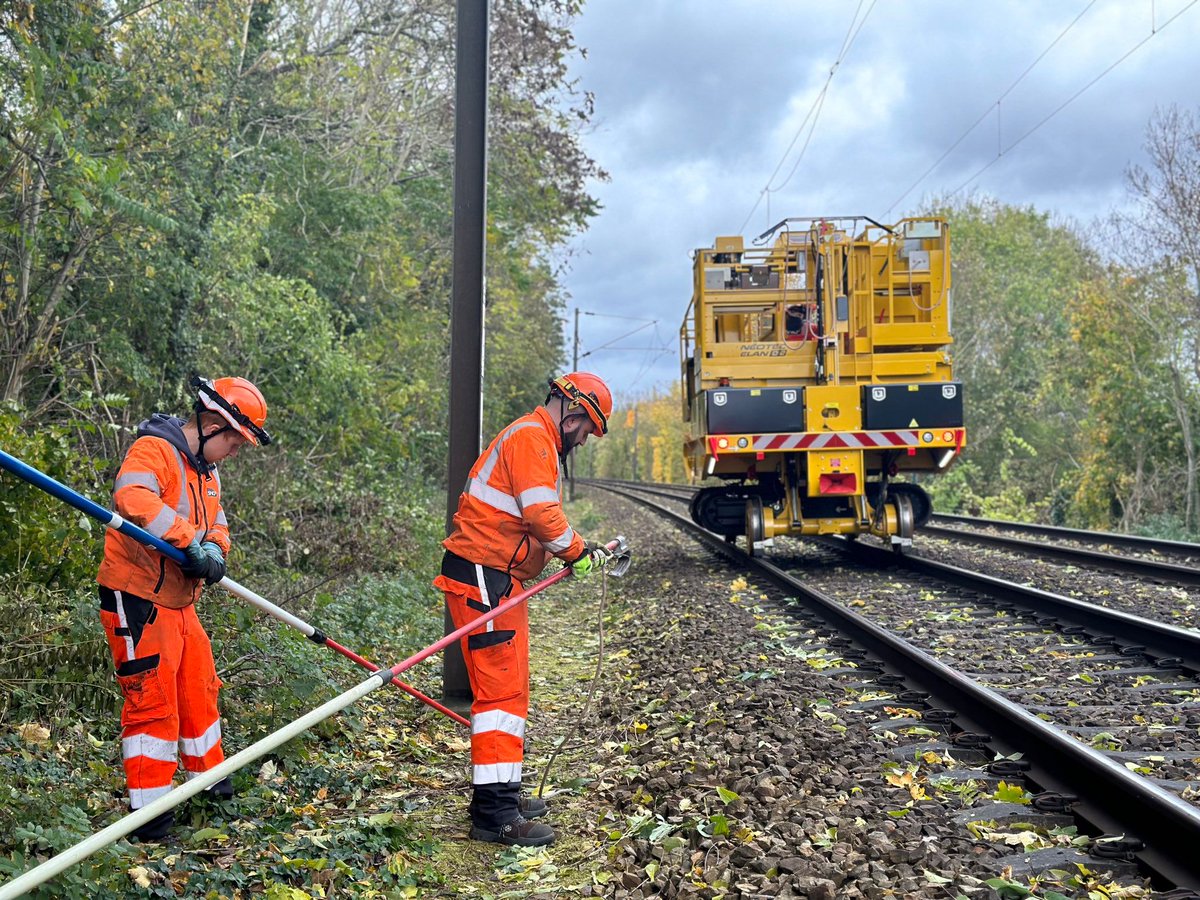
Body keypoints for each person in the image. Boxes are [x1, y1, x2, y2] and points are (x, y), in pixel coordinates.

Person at [434, 372, 616, 847]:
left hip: (495, 576)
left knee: (508, 693)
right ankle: (496, 817)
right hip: (484, 574)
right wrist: (576, 551)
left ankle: (500, 797)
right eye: (586, 431)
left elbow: (533, 520)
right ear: (574, 413)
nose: (582, 440)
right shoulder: (533, 439)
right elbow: (541, 516)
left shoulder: (531, 438)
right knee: (500, 697)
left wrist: (577, 547)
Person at [96, 376, 271, 841]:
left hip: (178, 600)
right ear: (213, 425)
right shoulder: (153, 450)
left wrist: (214, 549)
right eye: (234, 442)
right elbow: (132, 499)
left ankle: (208, 783)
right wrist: (186, 538)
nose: (235, 452)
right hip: (137, 596)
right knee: (152, 703)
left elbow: (219, 524)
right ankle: (150, 817)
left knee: (199, 686)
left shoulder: (208, 474)